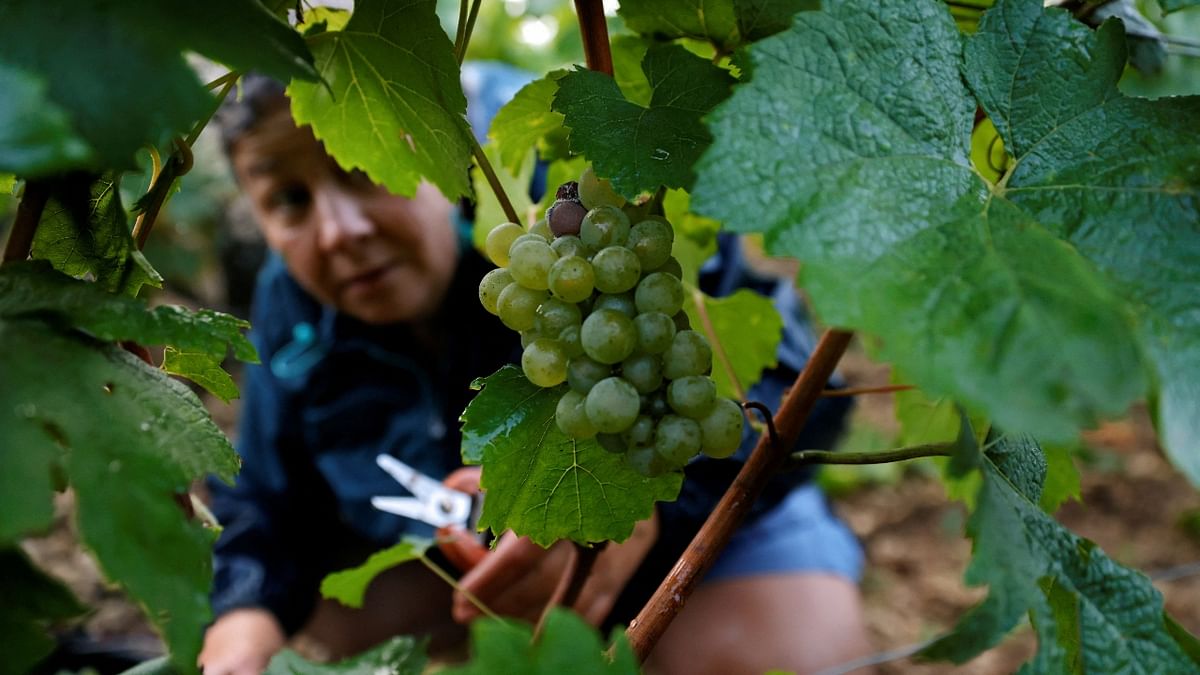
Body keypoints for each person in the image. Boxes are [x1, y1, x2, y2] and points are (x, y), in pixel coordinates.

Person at [199, 66, 871, 675]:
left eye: (360, 166)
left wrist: (651, 509)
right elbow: (264, 493)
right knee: (331, 612)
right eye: (288, 199)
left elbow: (797, 381)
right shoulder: (288, 298)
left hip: (696, 524)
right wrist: (242, 617)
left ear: (436, 147)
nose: (337, 230)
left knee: (785, 656)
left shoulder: (575, 212)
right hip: (468, 557)